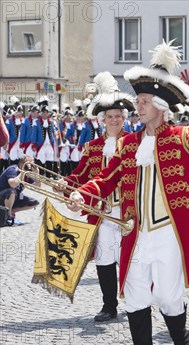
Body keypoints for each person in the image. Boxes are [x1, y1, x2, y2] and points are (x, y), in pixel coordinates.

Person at [68, 42, 189, 345]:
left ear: (159, 107)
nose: (137, 107)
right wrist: (81, 193)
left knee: (169, 298)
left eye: (143, 103)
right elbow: (106, 177)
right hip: (135, 232)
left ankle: (180, 337)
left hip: (170, 234)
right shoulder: (128, 144)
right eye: (139, 102)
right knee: (136, 295)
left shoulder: (181, 137)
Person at [60, 72, 136, 323]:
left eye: (118, 116)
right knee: (104, 259)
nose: (114, 120)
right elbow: (80, 174)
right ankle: (109, 305)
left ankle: (136, 302)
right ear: (103, 120)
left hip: (128, 212)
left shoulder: (135, 144)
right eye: (110, 117)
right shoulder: (92, 147)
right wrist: (64, 184)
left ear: (124, 119)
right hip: (102, 213)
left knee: (132, 259)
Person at [0, 155, 41, 224]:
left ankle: (7, 212)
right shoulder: (13, 169)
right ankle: (8, 217)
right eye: (29, 164)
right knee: (11, 192)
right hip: (3, 195)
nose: (30, 167)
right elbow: (12, 184)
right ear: (21, 164)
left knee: (34, 203)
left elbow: (37, 186)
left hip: (13, 198)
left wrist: (37, 174)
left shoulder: (27, 174)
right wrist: (23, 172)